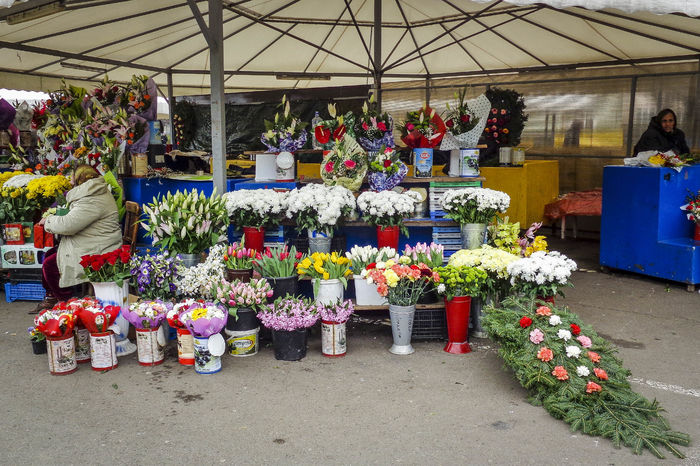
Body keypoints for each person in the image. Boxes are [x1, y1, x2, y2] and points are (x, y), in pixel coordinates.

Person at [31, 165, 123, 313]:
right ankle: (52, 297)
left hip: (99, 247)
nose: (71, 180)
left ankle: (66, 302)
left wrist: (48, 221)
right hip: (91, 241)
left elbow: (68, 225)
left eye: (73, 177)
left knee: (50, 265)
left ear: (80, 179)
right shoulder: (93, 192)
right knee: (49, 255)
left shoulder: (93, 199)